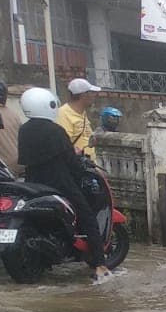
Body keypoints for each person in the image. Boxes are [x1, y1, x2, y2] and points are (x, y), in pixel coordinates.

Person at [16, 86, 111, 283]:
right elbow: (71, 160)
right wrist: (81, 166)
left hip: (33, 182)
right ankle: (100, 265)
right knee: (86, 214)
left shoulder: (24, 130)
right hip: (59, 181)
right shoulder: (55, 130)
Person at [57, 77, 100, 160]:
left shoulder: (82, 112)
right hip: (77, 165)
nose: (94, 96)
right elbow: (64, 144)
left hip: (88, 163)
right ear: (83, 95)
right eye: (91, 93)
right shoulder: (63, 114)